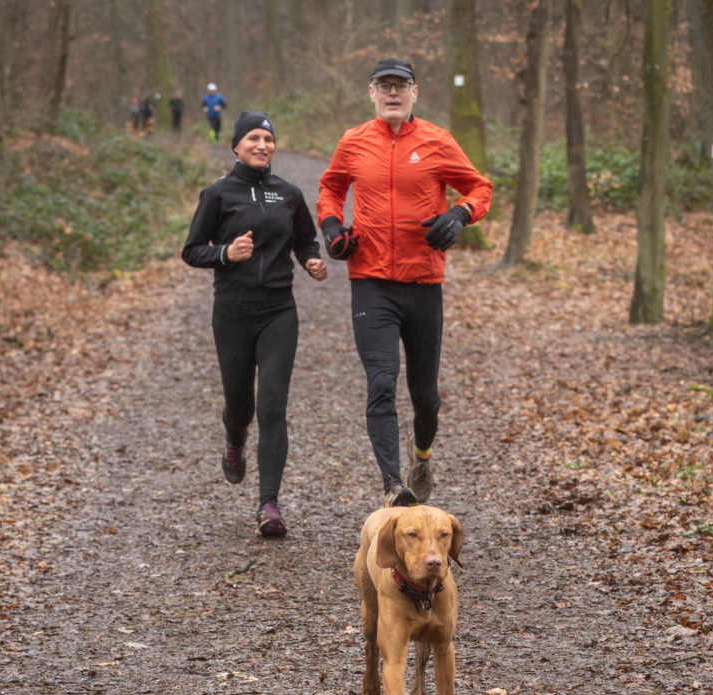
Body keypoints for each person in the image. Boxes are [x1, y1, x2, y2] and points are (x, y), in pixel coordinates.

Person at [317, 57, 492, 507]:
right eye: (384, 85)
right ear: (371, 93)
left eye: (401, 85)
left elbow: (479, 188)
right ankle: (393, 485)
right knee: (381, 380)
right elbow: (331, 188)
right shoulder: (354, 141)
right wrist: (332, 224)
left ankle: (422, 454)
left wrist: (460, 214)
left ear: (415, 93)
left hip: (423, 283)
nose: (392, 93)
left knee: (425, 396)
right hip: (370, 280)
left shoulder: (437, 141)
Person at [182, 112, 327, 538]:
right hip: (232, 311)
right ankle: (234, 438)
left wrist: (312, 261)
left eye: (268, 138)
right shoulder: (218, 194)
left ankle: (269, 504)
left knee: (272, 408)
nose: (262, 145)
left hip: (279, 310)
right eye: (253, 138)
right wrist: (225, 253)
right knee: (241, 406)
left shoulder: (289, 194)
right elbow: (192, 250)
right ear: (236, 146)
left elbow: (305, 240)